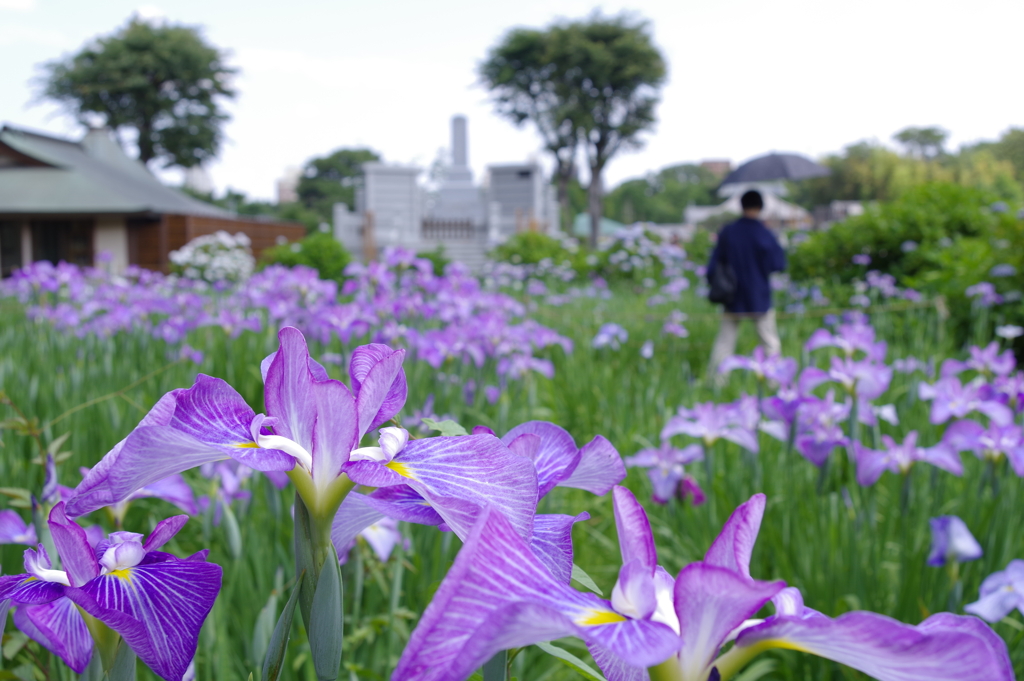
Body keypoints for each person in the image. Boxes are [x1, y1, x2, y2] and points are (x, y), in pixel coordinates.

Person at [705, 190, 787, 376]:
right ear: (760, 207)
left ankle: (716, 382)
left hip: (732, 296)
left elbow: (713, 266)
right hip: (759, 297)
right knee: (769, 343)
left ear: (741, 206)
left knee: (725, 343)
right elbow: (778, 264)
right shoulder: (764, 232)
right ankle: (776, 383)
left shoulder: (728, 231)